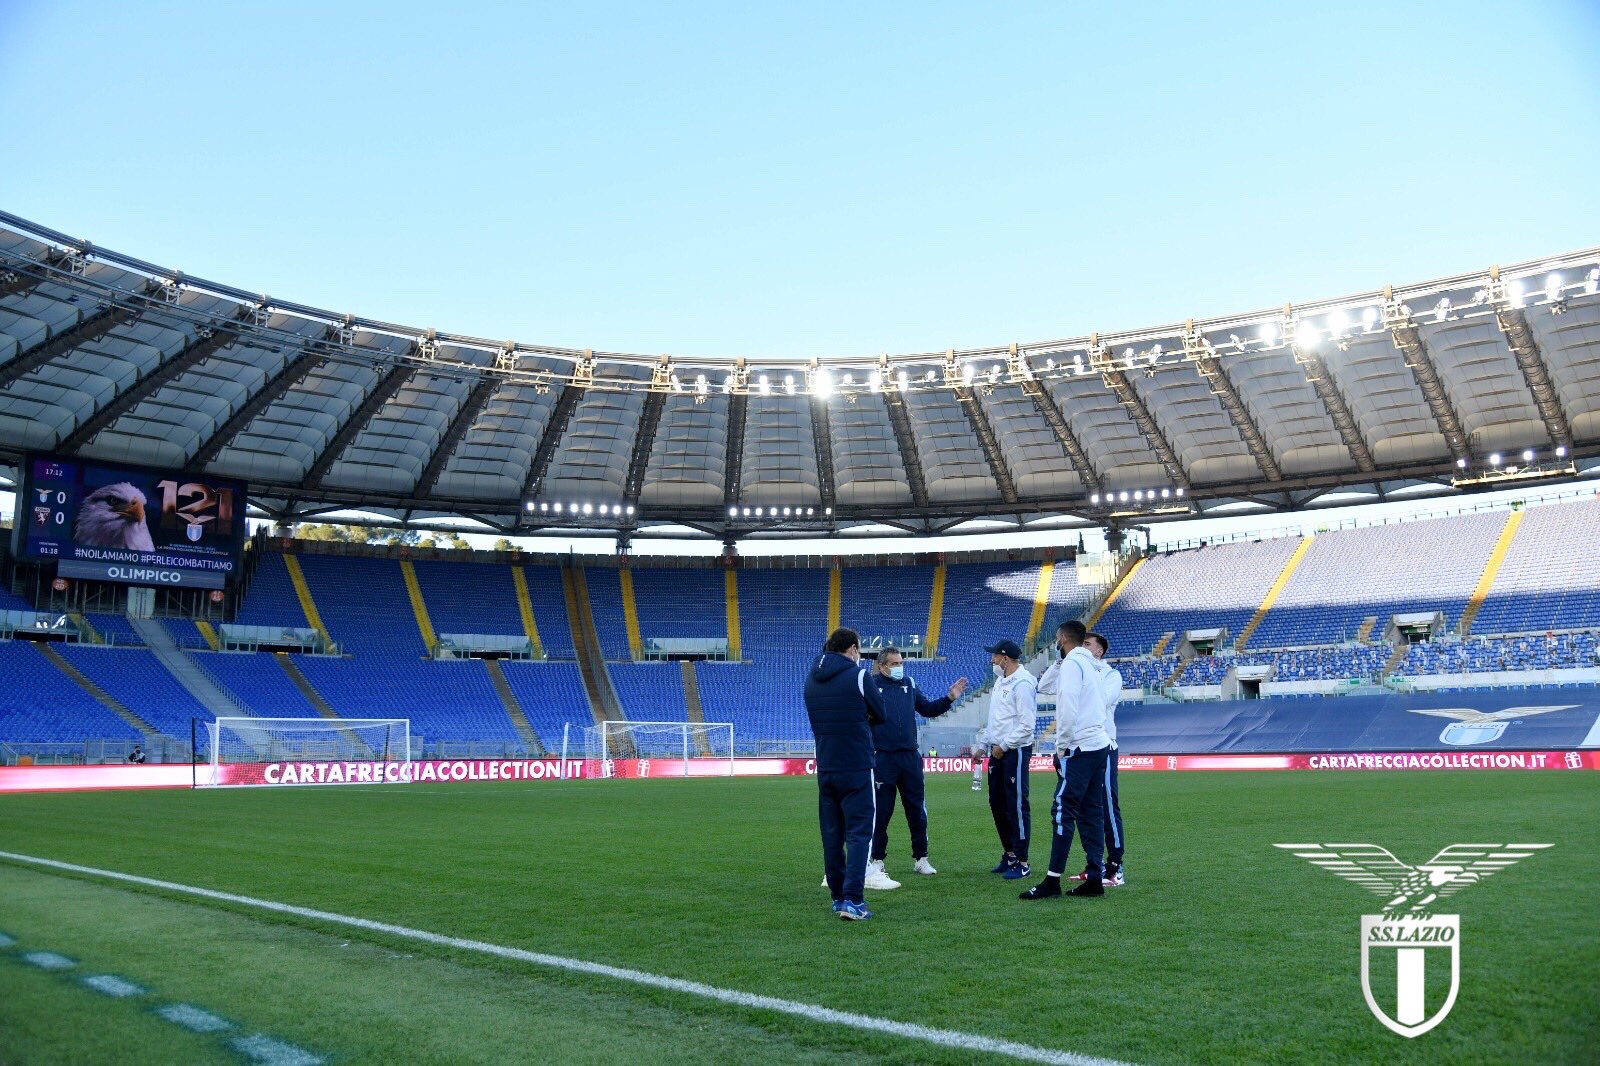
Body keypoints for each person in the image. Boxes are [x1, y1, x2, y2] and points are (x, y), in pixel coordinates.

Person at [1021, 619, 1112, 900]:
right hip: (1098, 745)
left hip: (1080, 747)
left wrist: (1061, 747)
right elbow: (1044, 685)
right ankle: (1095, 877)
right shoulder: (1090, 664)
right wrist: (1060, 662)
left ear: (1061, 638)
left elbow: (1069, 704)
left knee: (1063, 811)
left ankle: (1052, 881)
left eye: (1057, 640)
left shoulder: (1074, 664)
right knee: (1092, 812)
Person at [864, 647, 966, 887]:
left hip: (910, 757)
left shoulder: (908, 683)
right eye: (894, 663)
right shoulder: (870, 685)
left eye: (901, 662)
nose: (899, 667)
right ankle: (877, 859)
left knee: (917, 810)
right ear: (882, 666)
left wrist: (950, 697)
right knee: (882, 812)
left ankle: (921, 858)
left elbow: (928, 709)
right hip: (883, 758)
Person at [804, 627, 887, 921]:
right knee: (859, 833)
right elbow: (882, 713)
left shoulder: (811, 678)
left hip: (826, 766)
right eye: (859, 649)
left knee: (831, 835)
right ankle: (853, 899)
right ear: (852, 649)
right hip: (856, 766)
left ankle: (838, 897)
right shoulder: (859, 675)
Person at [1070, 631, 1126, 887]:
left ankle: (1116, 866)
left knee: (1106, 804)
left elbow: (1102, 700)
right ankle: (1094, 865)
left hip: (1104, 745)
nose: (1082, 647)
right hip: (1082, 746)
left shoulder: (1111, 675)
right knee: (1083, 806)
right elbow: (1048, 687)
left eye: (1087, 644)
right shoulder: (1077, 669)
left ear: (1099, 651)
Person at [981, 638, 1037, 880]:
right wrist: (984, 744)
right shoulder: (1000, 682)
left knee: (1015, 804)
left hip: (1014, 751)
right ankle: (1010, 853)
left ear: (1005, 658)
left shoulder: (1022, 683)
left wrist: (1003, 746)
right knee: (997, 802)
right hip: (998, 750)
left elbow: (1027, 726)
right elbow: (996, 720)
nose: (992, 659)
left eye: (995, 655)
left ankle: (1023, 861)